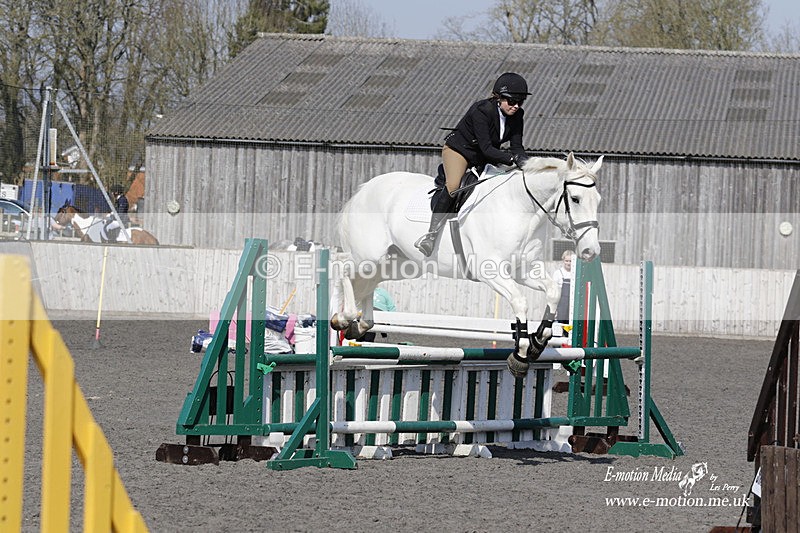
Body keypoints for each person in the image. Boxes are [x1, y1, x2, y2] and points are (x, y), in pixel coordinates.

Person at [415, 72, 531, 257]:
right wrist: (511, 160)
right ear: (498, 97)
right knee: (453, 186)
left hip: (484, 156)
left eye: (520, 102)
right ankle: (430, 235)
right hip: (459, 151)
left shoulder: (518, 115)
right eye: (512, 101)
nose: (516, 106)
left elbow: (517, 147)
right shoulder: (482, 110)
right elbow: (486, 148)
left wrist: (528, 165)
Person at [552, 250, 574, 324]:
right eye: (566, 261)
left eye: (570, 261)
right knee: (561, 321)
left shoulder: (576, 273)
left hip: (573, 301)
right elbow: (554, 290)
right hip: (561, 301)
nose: (568, 263)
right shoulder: (558, 273)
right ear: (563, 260)